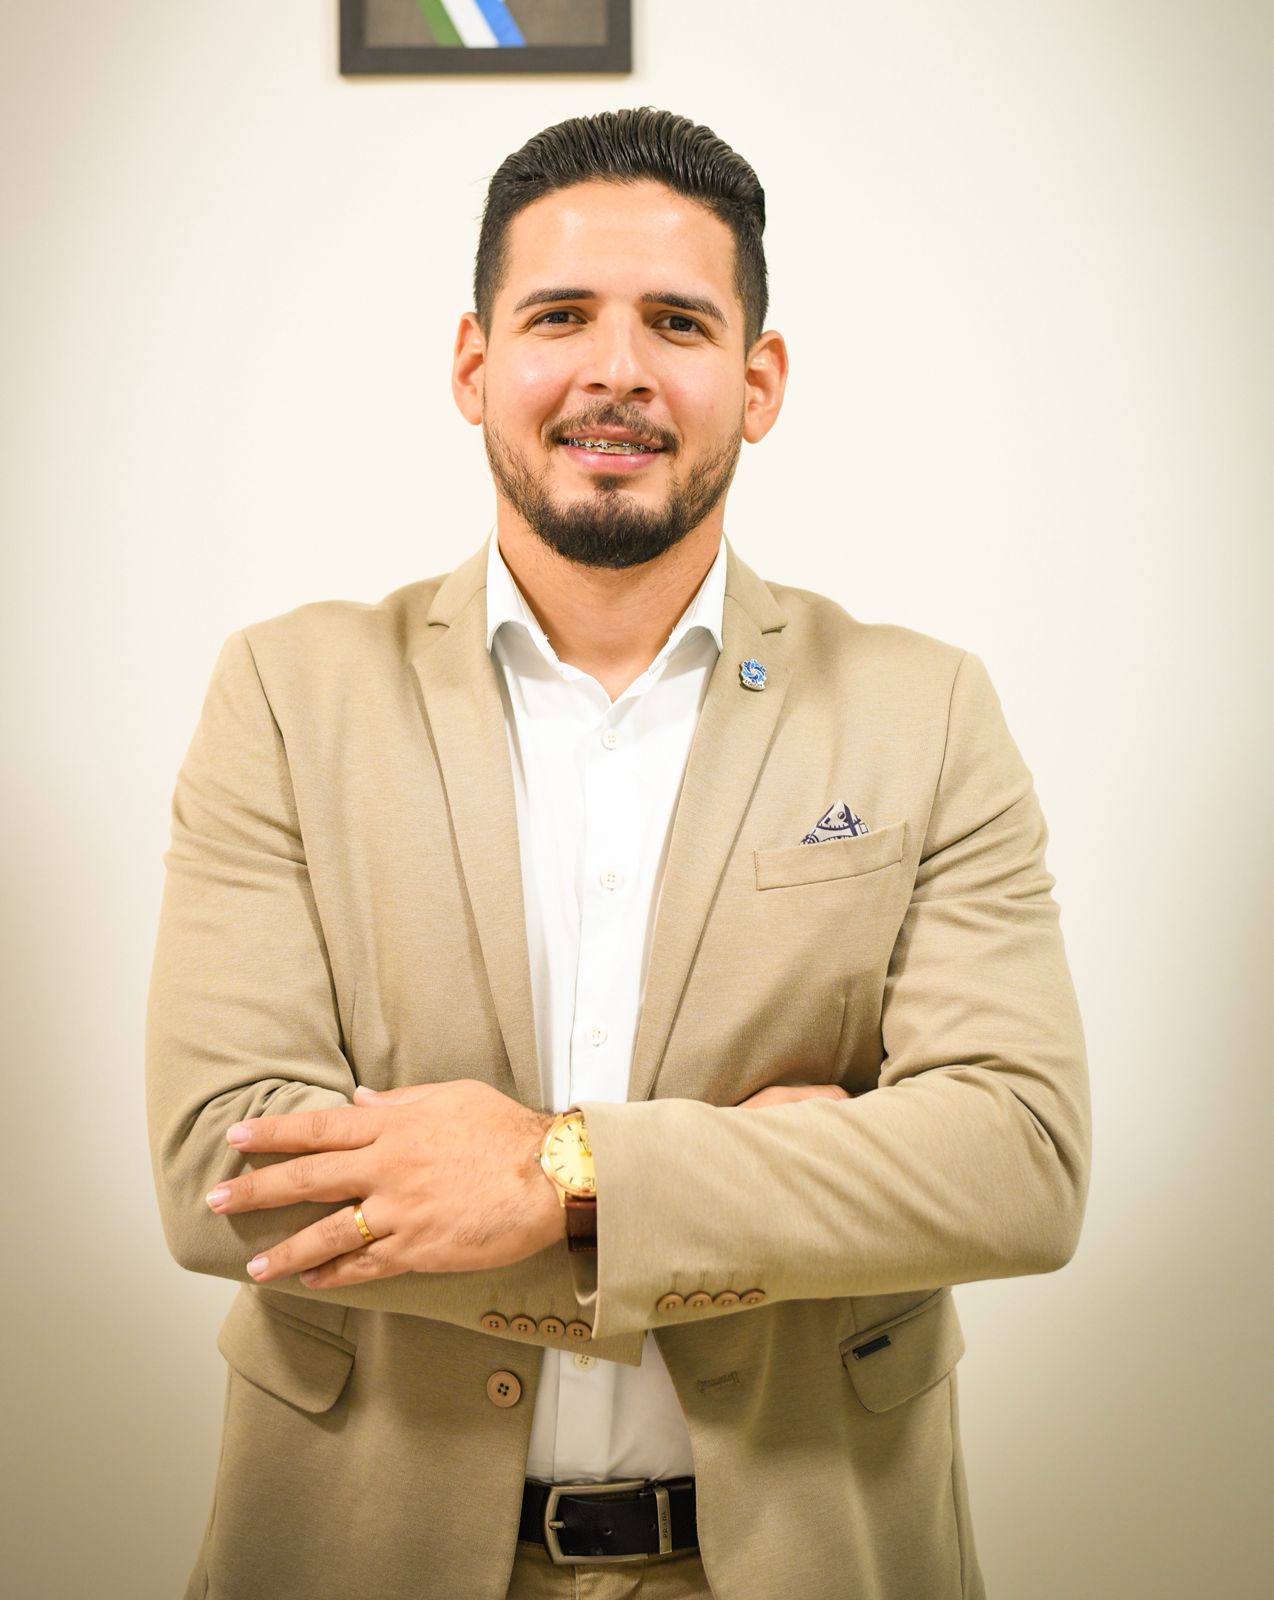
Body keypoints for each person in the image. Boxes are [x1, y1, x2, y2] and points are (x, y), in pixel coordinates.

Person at [145, 107, 1090, 1600]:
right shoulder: (286, 692)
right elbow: (227, 1170)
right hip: (361, 1545)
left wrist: (557, 1174)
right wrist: (787, 1177)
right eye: (560, 316)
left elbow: (1017, 1165)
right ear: (474, 364)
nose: (618, 369)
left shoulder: (924, 709)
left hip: (806, 1552)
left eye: (677, 322)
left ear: (756, 383)